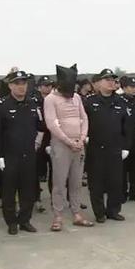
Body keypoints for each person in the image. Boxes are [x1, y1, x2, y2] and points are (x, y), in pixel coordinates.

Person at [0, 70, 44, 235]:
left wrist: (37, 143)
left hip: (28, 154)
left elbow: (40, 127)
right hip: (9, 155)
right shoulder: (1, 106)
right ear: (10, 86)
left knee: (28, 190)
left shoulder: (32, 104)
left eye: (24, 83)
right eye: (17, 83)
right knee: (9, 191)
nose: (21, 87)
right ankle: (11, 222)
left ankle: (24, 220)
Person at [44, 64, 93, 230]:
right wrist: (68, 141)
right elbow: (51, 124)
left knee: (76, 182)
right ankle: (58, 216)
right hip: (61, 145)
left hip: (79, 144)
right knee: (59, 182)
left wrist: (82, 138)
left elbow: (84, 118)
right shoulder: (50, 99)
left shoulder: (76, 97)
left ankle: (76, 213)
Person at [83, 68, 130, 223]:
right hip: (95, 148)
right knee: (96, 183)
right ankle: (99, 212)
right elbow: (83, 122)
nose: (111, 83)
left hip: (115, 148)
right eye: (107, 80)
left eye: (113, 80)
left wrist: (126, 147)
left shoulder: (121, 102)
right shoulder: (90, 102)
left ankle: (113, 210)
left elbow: (127, 127)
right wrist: (85, 137)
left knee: (115, 182)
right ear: (99, 83)